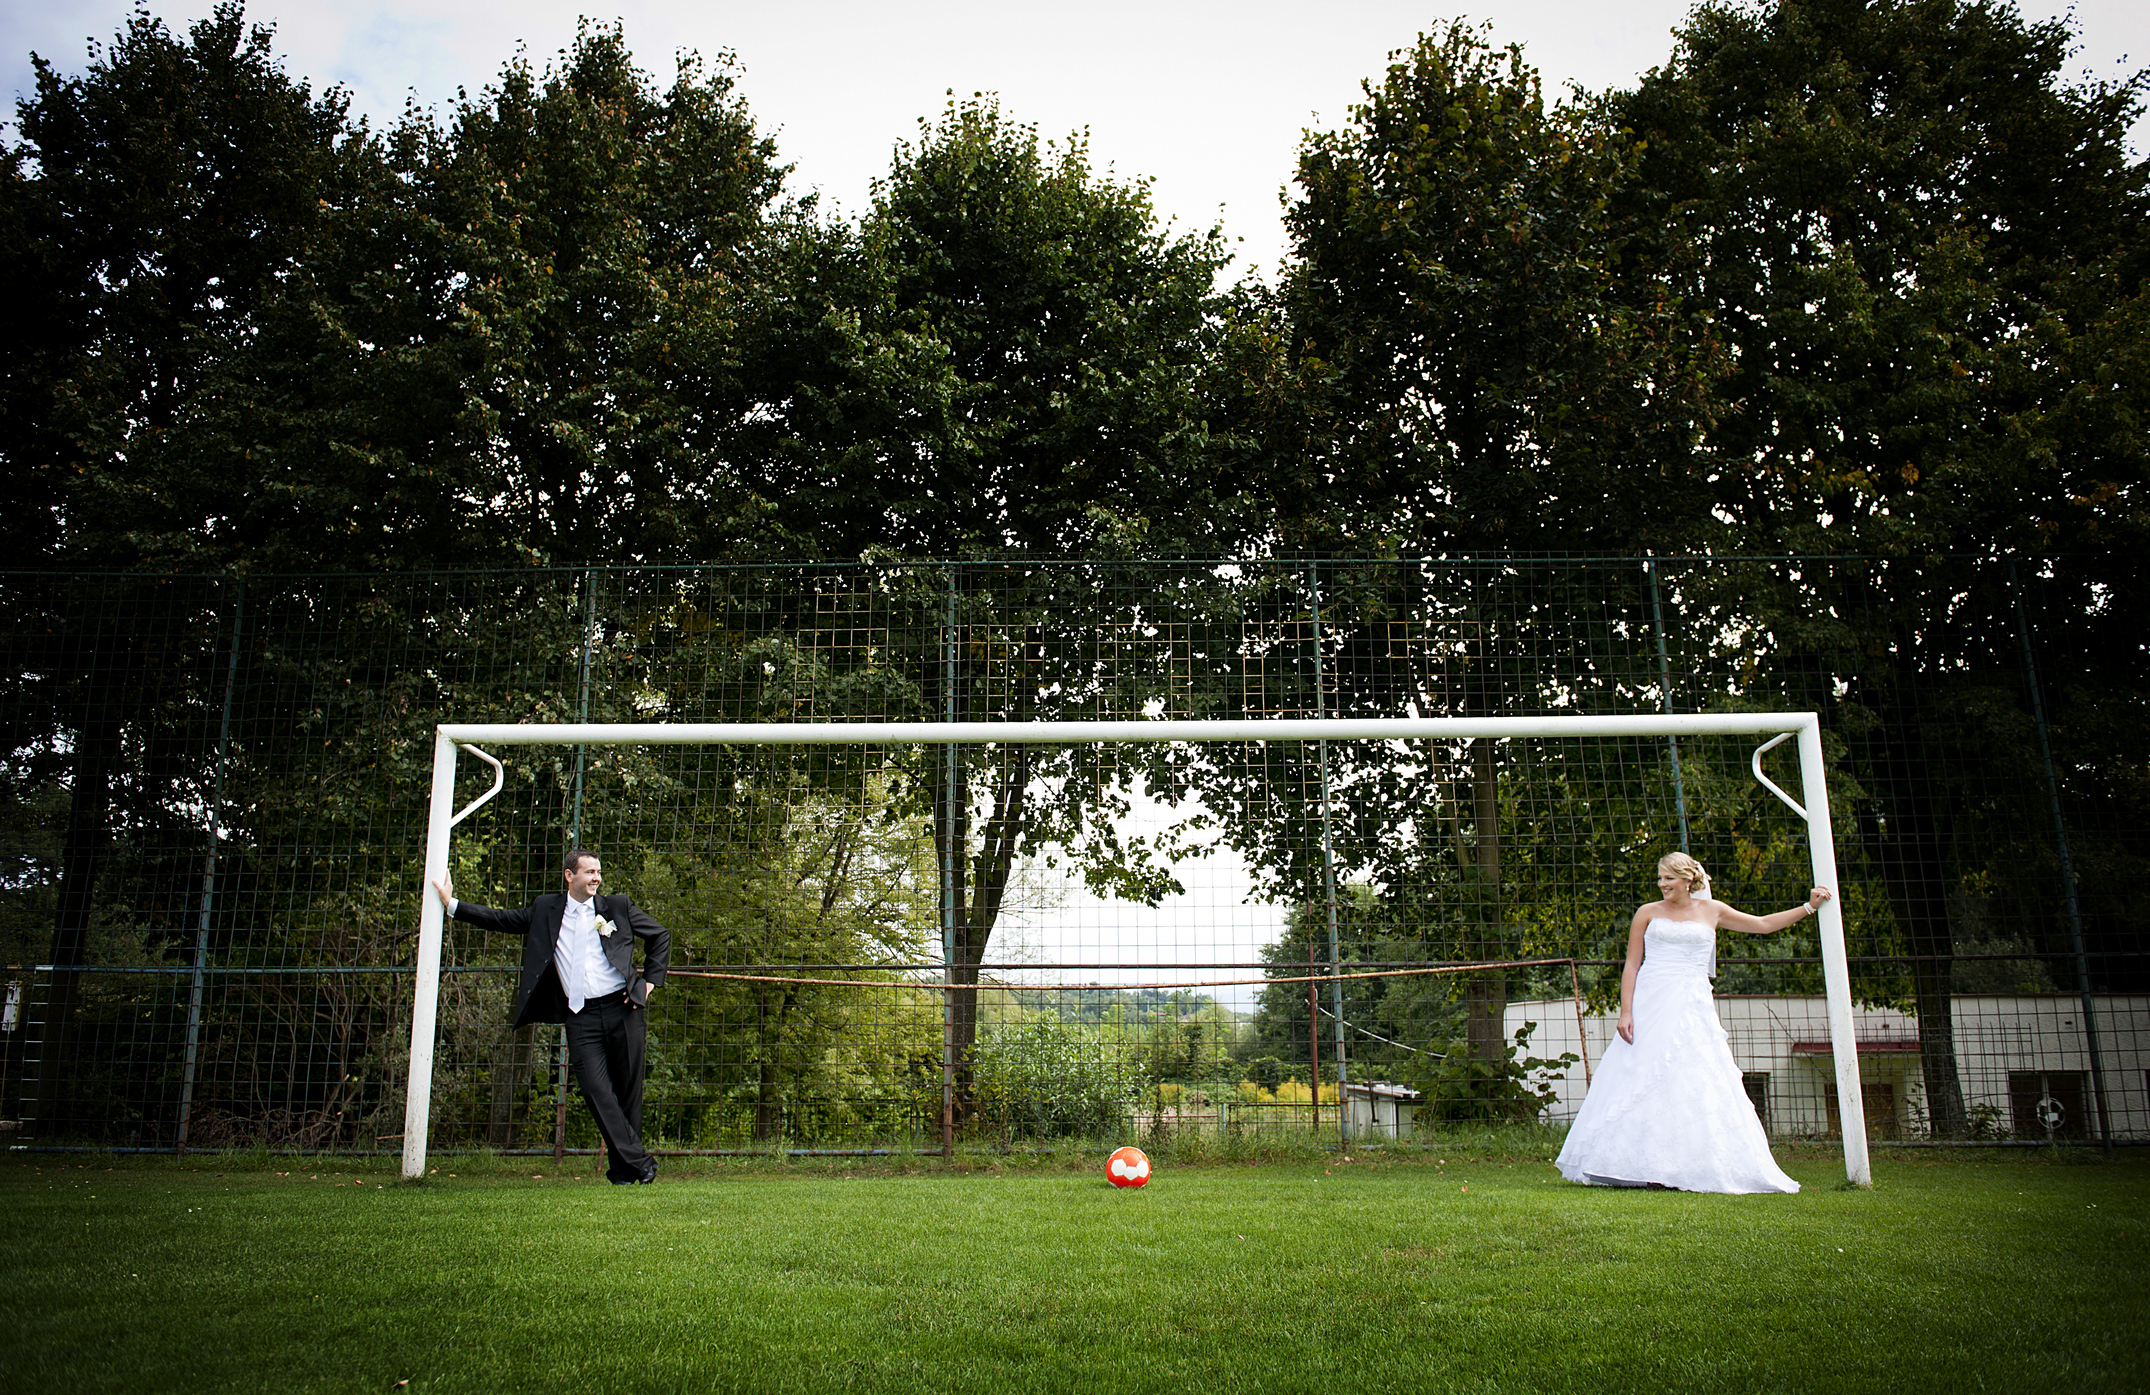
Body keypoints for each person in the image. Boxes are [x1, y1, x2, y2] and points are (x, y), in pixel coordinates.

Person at [1554, 852, 1831, 1194]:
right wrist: (1626, 1012)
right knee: (1640, 1072)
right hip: (1652, 1000)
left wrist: (1809, 907)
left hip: (1691, 1002)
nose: (1662, 884)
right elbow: (1631, 965)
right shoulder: (1647, 913)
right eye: (1659, 878)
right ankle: (1625, 1163)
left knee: (1691, 1074)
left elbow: (1761, 924)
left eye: (1668, 878)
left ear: (1687, 879)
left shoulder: (1713, 911)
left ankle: (1686, 1163)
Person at [432, 849, 670, 1185]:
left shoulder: (617, 906)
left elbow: (660, 935)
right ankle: (640, 1162)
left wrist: (648, 984)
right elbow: (502, 919)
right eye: (589, 872)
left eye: (599, 872)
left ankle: (624, 1172)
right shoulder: (546, 909)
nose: (597, 878)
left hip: (624, 1009)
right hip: (580, 1016)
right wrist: (452, 904)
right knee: (594, 1090)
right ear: (569, 876)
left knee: (628, 1092)